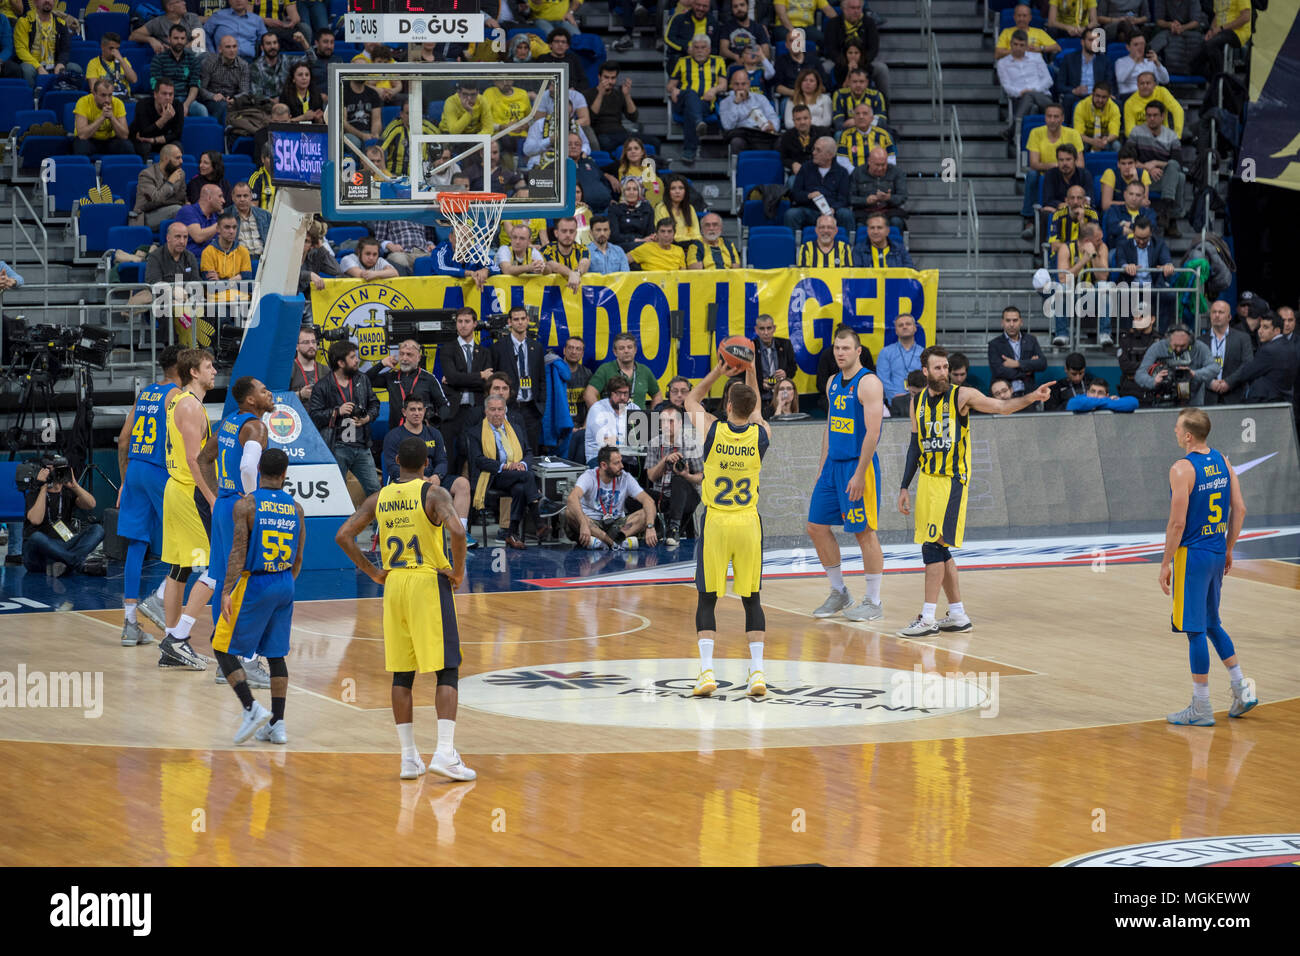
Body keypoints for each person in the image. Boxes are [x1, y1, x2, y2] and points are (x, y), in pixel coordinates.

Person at [335, 436, 472, 780]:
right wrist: (457, 572)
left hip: (394, 585)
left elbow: (344, 535)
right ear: (427, 464)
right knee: (447, 669)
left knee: (402, 673)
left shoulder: (380, 497)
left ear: (395, 461)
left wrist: (373, 571)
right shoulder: (433, 493)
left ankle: (409, 757)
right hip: (428, 582)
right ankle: (444, 753)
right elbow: (457, 530)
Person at [898, 347, 1054, 636]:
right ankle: (957, 615)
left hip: (952, 481)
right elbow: (914, 446)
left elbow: (1002, 407)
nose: (944, 373)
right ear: (926, 372)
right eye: (938, 368)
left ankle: (928, 617)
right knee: (940, 549)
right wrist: (904, 486)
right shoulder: (917, 402)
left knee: (932, 547)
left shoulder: (962, 396)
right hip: (928, 482)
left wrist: (1033, 396)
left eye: (946, 367)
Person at [676, 358, 770, 695]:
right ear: (752, 408)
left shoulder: (714, 430)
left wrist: (718, 370)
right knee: (752, 598)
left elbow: (690, 400)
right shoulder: (761, 434)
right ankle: (757, 673)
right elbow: (756, 411)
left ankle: (707, 673)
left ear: (728, 405)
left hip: (716, 521)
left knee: (707, 598)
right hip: (748, 523)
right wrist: (752, 371)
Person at [1160, 408, 1257, 724]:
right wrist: (1229, 548)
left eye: (1177, 428)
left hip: (1192, 555)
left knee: (1195, 629)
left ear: (1188, 435)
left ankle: (1201, 706)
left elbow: (1177, 524)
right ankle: (1242, 689)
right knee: (1213, 622)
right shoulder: (1223, 462)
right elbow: (1239, 509)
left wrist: (1164, 564)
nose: (1175, 432)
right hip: (1216, 551)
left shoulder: (1181, 469)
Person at [211, 446, 302, 744]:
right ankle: (278, 724)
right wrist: (283, 584)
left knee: (221, 646)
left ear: (259, 470)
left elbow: (237, 552)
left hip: (255, 583)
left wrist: (227, 590)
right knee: (276, 654)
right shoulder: (296, 508)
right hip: (285, 582)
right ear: (285, 474)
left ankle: (251, 708)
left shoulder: (247, 505)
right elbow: (298, 558)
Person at [805, 325, 886, 621]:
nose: (840, 353)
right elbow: (830, 426)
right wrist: (821, 466)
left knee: (864, 533)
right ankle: (840, 592)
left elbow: (873, 433)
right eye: (837, 348)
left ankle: (874, 601)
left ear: (858, 351)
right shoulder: (832, 382)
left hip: (857, 466)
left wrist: (860, 473)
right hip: (832, 467)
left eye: (845, 348)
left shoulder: (869, 384)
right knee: (815, 526)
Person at [157, 348, 219, 671]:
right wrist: (211, 496)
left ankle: (170, 642)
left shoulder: (176, 400)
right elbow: (195, 459)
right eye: (208, 366)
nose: (214, 371)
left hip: (175, 488)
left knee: (179, 568)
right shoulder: (192, 407)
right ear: (193, 371)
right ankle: (179, 638)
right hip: (190, 492)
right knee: (215, 567)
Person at [116, 346, 182, 643]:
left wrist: (123, 482)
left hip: (135, 470)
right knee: (186, 539)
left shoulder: (145, 394)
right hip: (159, 470)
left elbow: (123, 441)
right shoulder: (176, 397)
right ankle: (161, 598)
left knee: (137, 544)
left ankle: (130, 624)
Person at [381, 395, 474, 542]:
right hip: (407, 482)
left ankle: (460, 533)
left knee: (463, 483)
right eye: (412, 409)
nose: (416, 413)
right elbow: (392, 467)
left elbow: (443, 460)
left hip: (433, 479)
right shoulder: (393, 436)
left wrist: (437, 476)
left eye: (420, 409)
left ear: (424, 411)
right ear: (404, 412)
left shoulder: (434, 433)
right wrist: (418, 479)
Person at [468, 396, 545, 550]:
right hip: (493, 476)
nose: (496, 413)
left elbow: (528, 452)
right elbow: (479, 460)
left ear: (505, 411)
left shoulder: (515, 428)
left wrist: (522, 464)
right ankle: (537, 518)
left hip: (516, 475)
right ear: (486, 411)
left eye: (500, 409)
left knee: (520, 488)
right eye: (492, 409)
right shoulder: (476, 432)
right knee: (528, 476)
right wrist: (505, 466)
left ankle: (511, 533)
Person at [309, 339, 381, 499]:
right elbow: (314, 416)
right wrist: (337, 411)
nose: (357, 360)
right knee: (334, 493)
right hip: (337, 447)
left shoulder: (362, 380)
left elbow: (375, 403)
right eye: (352, 357)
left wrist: (367, 418)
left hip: (362, 446)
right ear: (341, 363)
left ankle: (379, 524)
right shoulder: (322, 386)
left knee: (375, 489)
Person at [21, 455, 104, 578]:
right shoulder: (35, 492)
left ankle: (65, 564)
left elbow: (91, 504)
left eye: (62, 469)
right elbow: (35, 520)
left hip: (64, 546)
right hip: (38, 555)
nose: (58, 473)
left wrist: (74, 485)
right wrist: (43, 487)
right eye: (55, 469)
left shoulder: (67, 492)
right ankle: (77, 564)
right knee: (36, 537)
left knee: (98, 529)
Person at [564, 446, 658, 550]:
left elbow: (648, 501)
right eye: (616, 463)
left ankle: (605, 542)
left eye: (621, 461)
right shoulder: (589, 476)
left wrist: (650, 527)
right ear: (604, 465)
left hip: (617, 526)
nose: (622, 466)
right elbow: (572, 498)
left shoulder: (625, 477)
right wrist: (583, 524)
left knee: (648, 512)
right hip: (592, 524)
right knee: (569, 512)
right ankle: (615, 543)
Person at [436, 307, 493, 477]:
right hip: (453, 412)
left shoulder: (484, 352)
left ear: (475, 324)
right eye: (459, 321)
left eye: (467, 321)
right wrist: (479, 376)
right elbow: (452, 377)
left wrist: (458, 380)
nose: (463, 325)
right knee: (450, 459)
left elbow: (486, 384)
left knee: (475, 456)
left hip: (476, 411)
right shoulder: (447, 349)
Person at [490, 306, 547, 455]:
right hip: (510, 407)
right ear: (509, 322)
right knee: (510, 451)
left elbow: (541, 378)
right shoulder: (498, 348)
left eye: (523, 319)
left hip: (532, 409)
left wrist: (541, 404)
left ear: (528, 320)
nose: (520, 322)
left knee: (531, 451)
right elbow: (493, 379)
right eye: (516, 319)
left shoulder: (537, 347)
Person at [644, 406, 704, 547]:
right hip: (662, 495)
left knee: (678, 479)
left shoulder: (692, 444)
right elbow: (651, 477)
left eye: (670, 421)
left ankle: (674, 528)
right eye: (663, 421)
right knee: (635, 493)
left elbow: (702, 477)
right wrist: (665, 461)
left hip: (687, 496)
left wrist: (686, 475)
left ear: (680, 423)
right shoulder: (654, 443)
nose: (666, 425)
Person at [368, 338, 448, 440]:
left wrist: (434, 425)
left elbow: (444, 405)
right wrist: (381, 364)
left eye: (409, 354)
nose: (404, 358)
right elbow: (365, 380)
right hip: (397, 433)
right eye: (401, 354)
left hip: (422, 435)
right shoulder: (391, 377)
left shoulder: (429, 378)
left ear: (418, 357)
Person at [667, 34, 728, 166]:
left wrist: (714, 90)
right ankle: (699, 122)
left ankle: (690, 149)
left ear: (709, 49)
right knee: (690, 94)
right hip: (682, 102)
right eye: (697, 47)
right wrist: (673, 90)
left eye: (703, 47)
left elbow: (724, 84)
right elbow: (670, 85)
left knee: (692, 109)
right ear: (691, 49)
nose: (700, 50)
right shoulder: (683, 62)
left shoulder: (718, 61)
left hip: (705, 104)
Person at [1212, 313, 1297, 404]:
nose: (1260, 331)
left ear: (1276, 331)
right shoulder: (1291, 346)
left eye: (1265, 327)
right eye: (1260, 326)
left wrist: (1227, 383)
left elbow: (1247, 372)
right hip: (1286, 401)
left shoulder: (1268, 350)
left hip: (1265, 401)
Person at [786, 136, 855, 234]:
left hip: (832, 212)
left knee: (846, 214)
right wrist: (808, 195)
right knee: (791, 214)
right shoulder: (805, 168)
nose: (813, 153)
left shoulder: (842, 172)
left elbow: (844, 199)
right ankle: (791, 247)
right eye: (814, 149)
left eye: (818, 150)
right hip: (810, 210)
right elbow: (796, 194)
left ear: (829, 155)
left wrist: (833, 209)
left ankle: (849, 246)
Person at [1135, 325, 1217, 406]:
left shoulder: (1199, 347)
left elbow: (1215, 368)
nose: (1178, 349)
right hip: (1163, 405)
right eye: (1175, 345)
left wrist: (1194, 374)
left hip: (1193, 405)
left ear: (1190, 341)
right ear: (1168, 340)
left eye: (1182, 346)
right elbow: (1139, 375)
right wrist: (1154, 381)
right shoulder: (1157, 347)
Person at [996, 31, 1054, 145]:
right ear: (1011, 44)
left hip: (1043, 98)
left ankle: (1012, 131)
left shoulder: (1036, 57)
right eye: (1015, 44)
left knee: (1030, 96)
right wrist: (1020, 93)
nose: (1018, 48)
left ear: (1026, 45)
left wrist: (1033, 91)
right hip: (1020, 99)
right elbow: (1007, 86)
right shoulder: (1002, 63)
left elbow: (1048, 80)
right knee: (1032, 107)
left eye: (1022, 45)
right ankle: (1029, 143)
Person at [585, 331, 662, 411]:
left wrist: (653, 419)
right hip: (613, 421)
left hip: (640, 421)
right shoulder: (605, 370)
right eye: (621, 348)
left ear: (635, 350)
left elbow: (657, 395)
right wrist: (601, 416)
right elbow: (589, 394)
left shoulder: (645, 371)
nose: (626, 351)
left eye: (629, 347)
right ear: (615, 352)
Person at [988, 305, 1048, 399]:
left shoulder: (1031, 340)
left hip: (1028, 394)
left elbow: (1042, 363)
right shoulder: (994, 344)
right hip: (1004, 397)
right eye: (1008, 320)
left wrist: (1017, 363)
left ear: (1021, 322)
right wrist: (1028, 370)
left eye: (1015, 320)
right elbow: (999, 371)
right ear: (1002, 323)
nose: (1011, 324)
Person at [719, 66, 779, 156]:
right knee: (736, 142)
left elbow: (773, 116)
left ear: (749, 84)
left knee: (781, 141)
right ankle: (736, 169)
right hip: (743, 135)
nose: (740, 87)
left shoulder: (760, 98)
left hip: (762, 133)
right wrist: (736, 103)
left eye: (743, 84)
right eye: (736, 84)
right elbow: (728, 126)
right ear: (731, 84)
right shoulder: (725, 102)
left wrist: (773, 126)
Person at [584, 375, 640, 465]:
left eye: (625, 393)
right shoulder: (597, 409)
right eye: (618, 393)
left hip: (628, 459)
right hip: (600, 458)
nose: (622, 397)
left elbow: (644, 439)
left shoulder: (634, 408)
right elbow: (606, 441)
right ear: (610, 393)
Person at [850, 147, 908, 232]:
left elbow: (903, 197)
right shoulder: (857, 173)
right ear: (869, 161)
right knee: (860, 226)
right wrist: (866, 200)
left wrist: (889, 198)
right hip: (865, 212)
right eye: (877, 165)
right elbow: (850, 198)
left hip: (889, 211)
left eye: (883, 164)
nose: (880, 168)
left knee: (896, 222)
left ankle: (895, 245)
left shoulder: (897, 172)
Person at [199, 34, 251, 125]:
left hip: (232, 100)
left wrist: (234, 99)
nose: (232, 50)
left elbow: (244, 91)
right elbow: (200, 88)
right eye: (228, 47)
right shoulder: (210, 62)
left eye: (234, 47)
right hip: (213, 100)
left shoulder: (243, 65)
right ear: (220, 49)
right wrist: (213, 96)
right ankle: (213, 131)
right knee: (222, 105)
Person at [73, 78, 133, 157]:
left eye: (110, 95)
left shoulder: (118, 103)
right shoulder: (83, 102)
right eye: (103, 95)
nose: (107, 100)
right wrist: (102, 117)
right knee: (81, 146)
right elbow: (82, 135)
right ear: (94, 93)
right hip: (89, 140)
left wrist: (112, 117)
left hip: (110, 141)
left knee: (127, 146)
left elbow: (124, 135)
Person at [752, 314, 798, 409]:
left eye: (769, 328)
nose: (766, 332)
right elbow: (744, 374)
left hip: (783, 397)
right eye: (762, 329)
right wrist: (761, 383)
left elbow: (793, 368)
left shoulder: (785, 344)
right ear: (756, 330)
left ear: (774, 328)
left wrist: (785, 373)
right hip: (760, 399)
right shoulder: (751, 346)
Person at [876, 313, 923, 400]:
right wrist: (896, 399)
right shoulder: (885, 352)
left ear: (915, 328)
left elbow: (927, 379)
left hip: (920, 401)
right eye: (900, 325)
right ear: (896, 331)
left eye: (908, 324)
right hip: (893, 404)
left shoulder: (924, 353)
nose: (904, 327)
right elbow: (883, 380)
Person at [995, 3, 1061, 60]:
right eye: (1019, 15)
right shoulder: (1006, 32)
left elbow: (1057, 47)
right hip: (1012, 66)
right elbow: (997, 54)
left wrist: (1039, 48)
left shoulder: (1039, 32)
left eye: (1024, 16)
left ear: (1030, 18)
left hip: (1035, 66)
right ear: (1014, 17)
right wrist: (1018, 50)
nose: (1021, 19)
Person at [1073, 81, 1121, 153]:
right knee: (1077, 144)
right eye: (1097, 96)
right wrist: (1092, 141)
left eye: (1104, 97)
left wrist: (1106, 139)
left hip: (1105, 138)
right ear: (1092, 94)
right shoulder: (1081, 106)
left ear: (1109, 97)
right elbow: (1078, 134)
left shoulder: (1114, 108)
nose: (1100, 100)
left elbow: (1114, 133)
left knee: (1117, 145)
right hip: (1087, 138)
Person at [559, 336, 593, 429]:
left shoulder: (587, 374)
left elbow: (592, 405)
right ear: (564, 350)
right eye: (570, 348)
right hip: (558, 427)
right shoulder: (554, 371)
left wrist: (584, 427)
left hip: (581, 427)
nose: (574, 352)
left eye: (578, 349)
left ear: (582, 354)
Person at [1066, 377, 1140, 411]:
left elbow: (1134, 402)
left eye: (1100, 393)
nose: (1095, 396)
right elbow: (1072, 404)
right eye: (1093, 391)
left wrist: (1095, 405)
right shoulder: (1080, 399)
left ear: (1107, 395)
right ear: (1087, 393)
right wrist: (1107, 401)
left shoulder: (1110, 400)